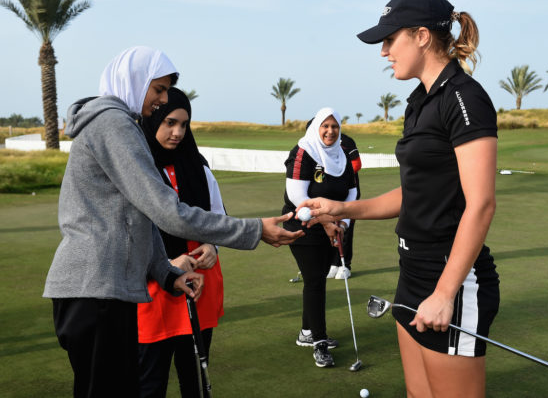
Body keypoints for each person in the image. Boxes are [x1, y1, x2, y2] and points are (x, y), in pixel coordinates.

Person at [43, 46, 302, 398]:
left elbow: (138, 219)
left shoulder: (118, 122)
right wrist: (254, 229)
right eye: (158, 89)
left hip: (101, 290)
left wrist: (167, 274)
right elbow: (168, 212)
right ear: (135, 81)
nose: (163, 100)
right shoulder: (114, 123)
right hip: (94, 290)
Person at [299, 0, 499, 397]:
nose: (384, 51)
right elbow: (415, 193)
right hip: (412, 271)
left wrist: (444, 294)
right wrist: (342, 206)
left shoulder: (464, 99)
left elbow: (481, 204)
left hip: (453, 278)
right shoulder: (418, 102)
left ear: (422, 36)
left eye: (391, 39)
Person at [137, 87, 226, 397]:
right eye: (169, 123)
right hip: (152, 286)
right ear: (152, 120)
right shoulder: (136, 165)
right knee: (150, 382)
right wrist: (164, 265)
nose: (177, 132)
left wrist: (212, 245)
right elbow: (129, 230)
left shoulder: (197, 164)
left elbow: (218, 218)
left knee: (195, 379)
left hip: (198, 282)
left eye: (184, 124)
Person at [282, 107, 357, 368]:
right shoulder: (303, 152)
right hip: (302, 226)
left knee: (318, 277)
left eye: (335, 126)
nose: (330, 131)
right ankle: (320, 343)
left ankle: (306, 332)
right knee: (315, 281)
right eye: (325, 126)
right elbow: (297, 196)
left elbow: (351, 192)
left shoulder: (343, 154)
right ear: (316, 128)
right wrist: (325, 221)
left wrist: (342, 225)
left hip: (332, 224)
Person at [328, 132, 361, 279]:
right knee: (331, 228)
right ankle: (334, 263)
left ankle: (345, 265)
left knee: (345, 228)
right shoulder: (322, 143)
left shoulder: (346, 140)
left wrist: (338, 172)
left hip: (349, 192)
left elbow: (357, 163)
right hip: (331, 193)